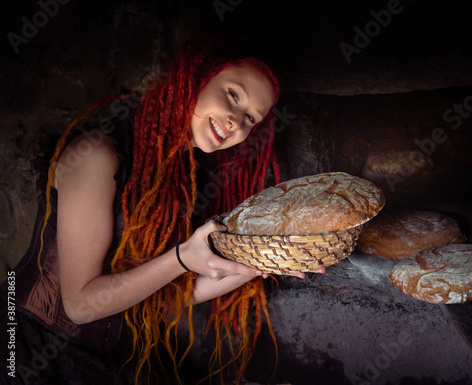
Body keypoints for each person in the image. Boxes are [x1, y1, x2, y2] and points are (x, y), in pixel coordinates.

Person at [0, 35, 323, 385]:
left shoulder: (183, 178)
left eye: (250, 118)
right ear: (198, 77)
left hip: (110, 365)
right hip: (26, 352)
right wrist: (182, 258)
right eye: (233, 95)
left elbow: (160, 303)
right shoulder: (97, 155)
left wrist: (257, 264)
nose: (236, 121)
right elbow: (78, 306)